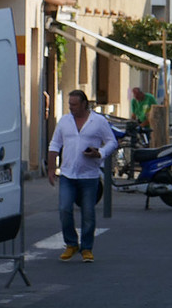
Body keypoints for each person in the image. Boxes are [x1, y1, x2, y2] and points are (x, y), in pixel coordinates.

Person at [46, 89, 118, 262]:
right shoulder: (65, 121)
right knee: (64, 209)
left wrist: (99, 153)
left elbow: (112, 142)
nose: (72, 108)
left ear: (84, 104)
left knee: (88, 213)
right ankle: (71, 244)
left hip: (89, 176)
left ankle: (86, 248)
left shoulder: (98, 121)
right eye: (70, 104)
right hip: (67, 174)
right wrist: (50, 169)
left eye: (75, 104)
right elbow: (55, 143)